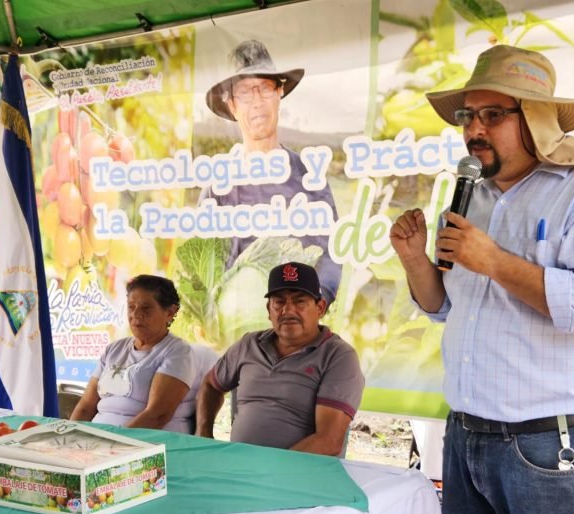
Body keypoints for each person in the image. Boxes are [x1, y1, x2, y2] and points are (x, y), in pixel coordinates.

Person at [389, 45, 574, 514]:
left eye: (492, 114)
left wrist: (495, 262)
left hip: (553, 447)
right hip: (468, 440)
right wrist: (415, 260)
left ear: (535, 119)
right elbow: (445, 307)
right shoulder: (470, 198)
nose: (474, 129)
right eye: (468, 115)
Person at [200, 39, 341, 304]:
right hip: (237, 322)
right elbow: (205, 273)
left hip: (297, 320)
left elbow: (330, 256)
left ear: (279, 93)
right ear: (232, 105)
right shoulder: (218, 188)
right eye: (245, 92)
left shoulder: (309, 177)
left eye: (265, 88)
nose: (257, 102)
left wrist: (316, 302)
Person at [195, 261, 364, 456]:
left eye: (300, 301)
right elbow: (211, 384)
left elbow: (329, 441)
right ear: (269, 310)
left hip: (299, 472)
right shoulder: (249, 345)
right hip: (240, 465)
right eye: (279, 302)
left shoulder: (338, 357)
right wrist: (203, 434)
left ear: (320, 307)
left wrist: (271, 468)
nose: (288, 311)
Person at [70, 274, 203, 433]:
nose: (136, 314)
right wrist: (70, 435)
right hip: (100, 440)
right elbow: (85, 406)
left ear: (170, 312)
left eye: (146, 308)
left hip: (144, 442)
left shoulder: (178, 352)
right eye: (131, 307)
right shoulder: (114, 349)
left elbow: (157, 416)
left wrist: (112, 441)